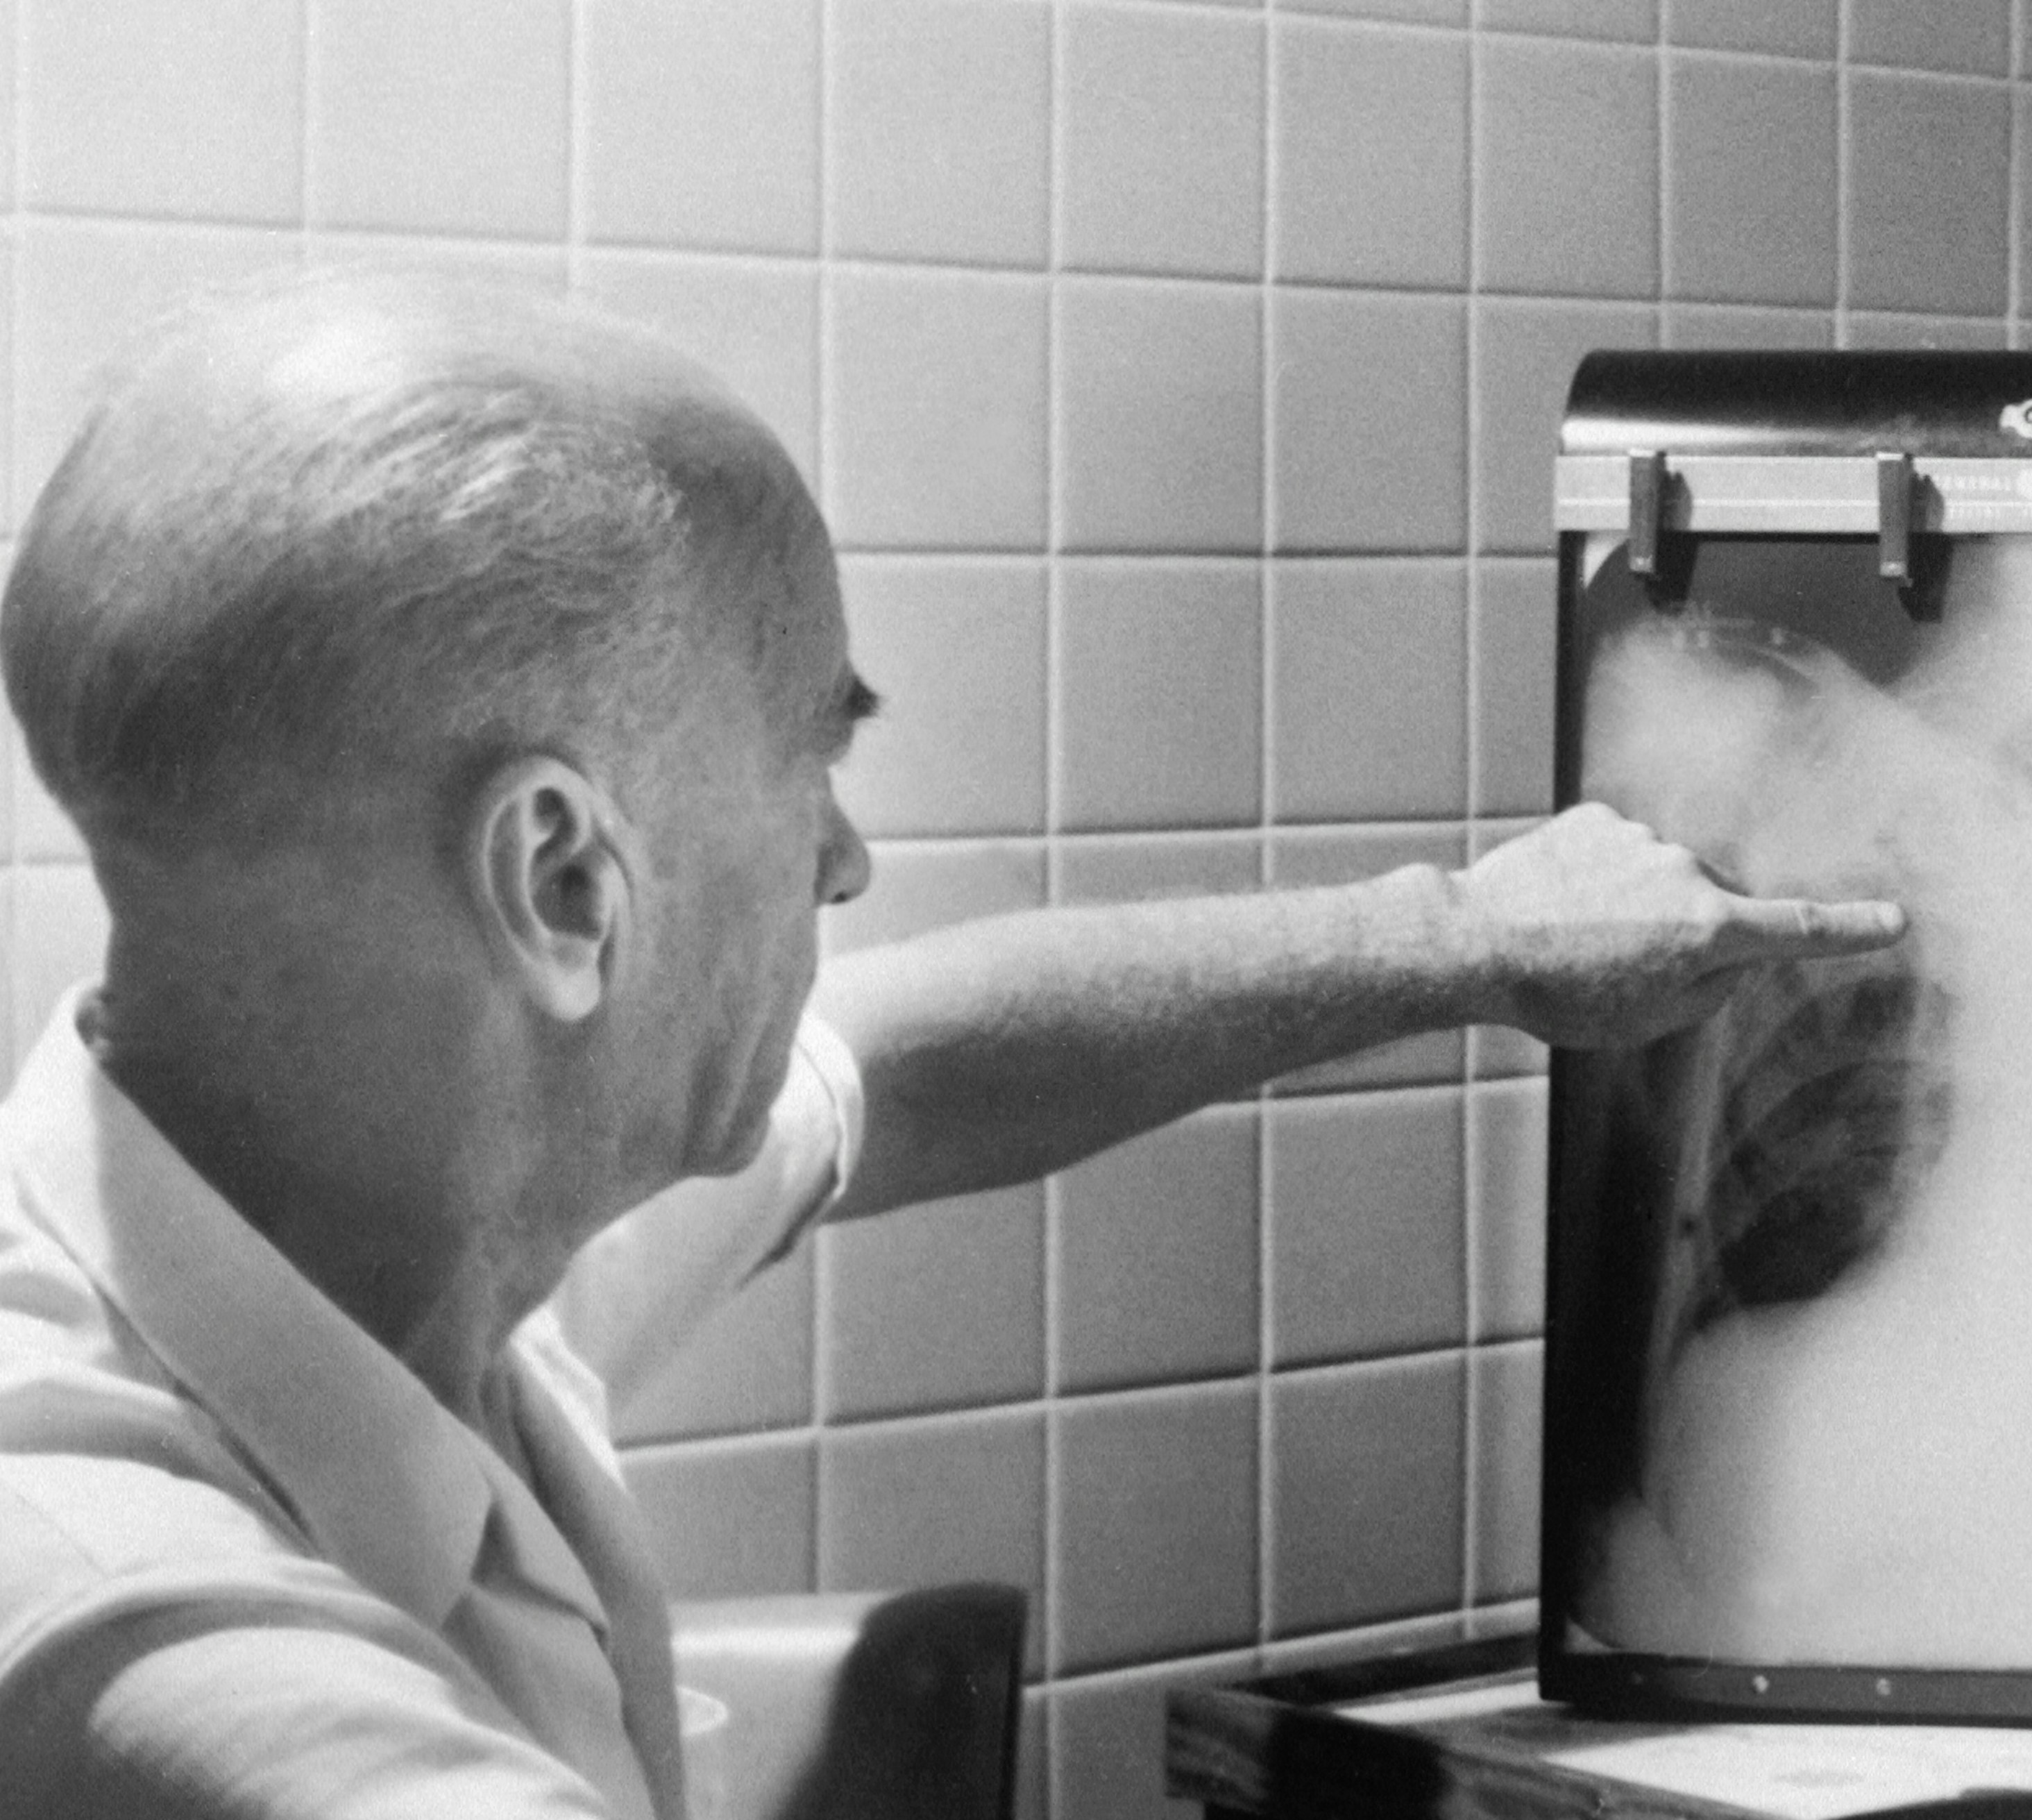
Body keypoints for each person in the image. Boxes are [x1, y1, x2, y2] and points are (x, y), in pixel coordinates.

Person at [0, 269, 1905, 1815]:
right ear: (564, 879)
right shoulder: (148, 1643)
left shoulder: (398, 1200)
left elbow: (903, 1064)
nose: (847, 857)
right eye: (806, 761)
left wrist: (1470, 938)